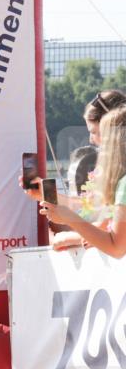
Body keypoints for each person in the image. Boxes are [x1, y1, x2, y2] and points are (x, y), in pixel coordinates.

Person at [22, 90, 126, 250]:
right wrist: (47, 195)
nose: (91, 139)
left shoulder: (121, 179)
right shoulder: (110, 173)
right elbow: (91, 208)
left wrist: (67, 234)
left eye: (94, 132)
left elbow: (110, 235)